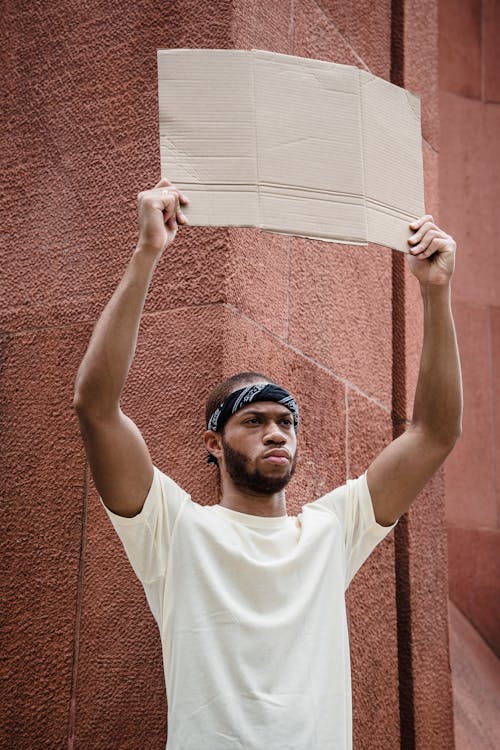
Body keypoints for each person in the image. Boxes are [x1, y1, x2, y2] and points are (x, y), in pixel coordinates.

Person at [74, 178, 462, 750]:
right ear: (214, 444)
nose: (276, 432)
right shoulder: (176, 530)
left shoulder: (329, 532)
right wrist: (147, 251)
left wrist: (434, 293)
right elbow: (96, 407)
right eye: (253, 421)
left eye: (286, 422)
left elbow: (433, 434)